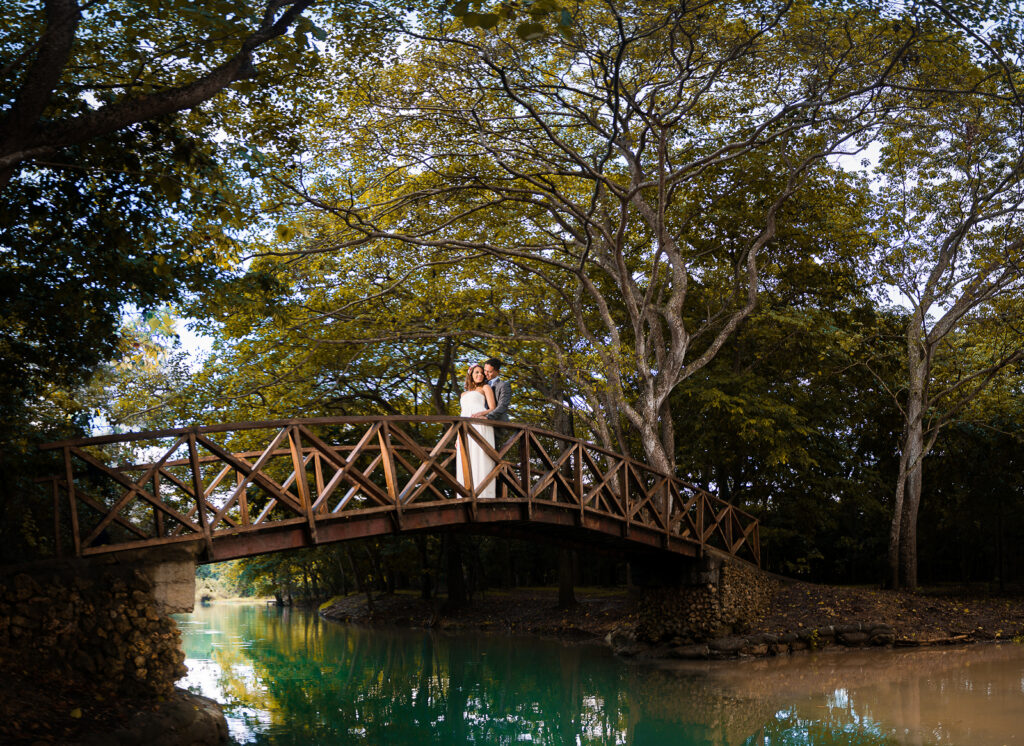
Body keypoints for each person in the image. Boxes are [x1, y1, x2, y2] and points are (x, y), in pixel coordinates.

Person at [456, 364, 497, 499]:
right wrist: (457, 436)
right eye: (476, 372)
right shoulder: (463, 394)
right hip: (466, 427)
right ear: (471, 375)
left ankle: (484, 495)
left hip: (480, 424)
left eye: (481, 373)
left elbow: (492, 408)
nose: (479, 375)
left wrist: (482, 413)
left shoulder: (485, 388)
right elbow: (462, 414)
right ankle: (466, 494)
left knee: (481, 456)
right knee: (466, 458)